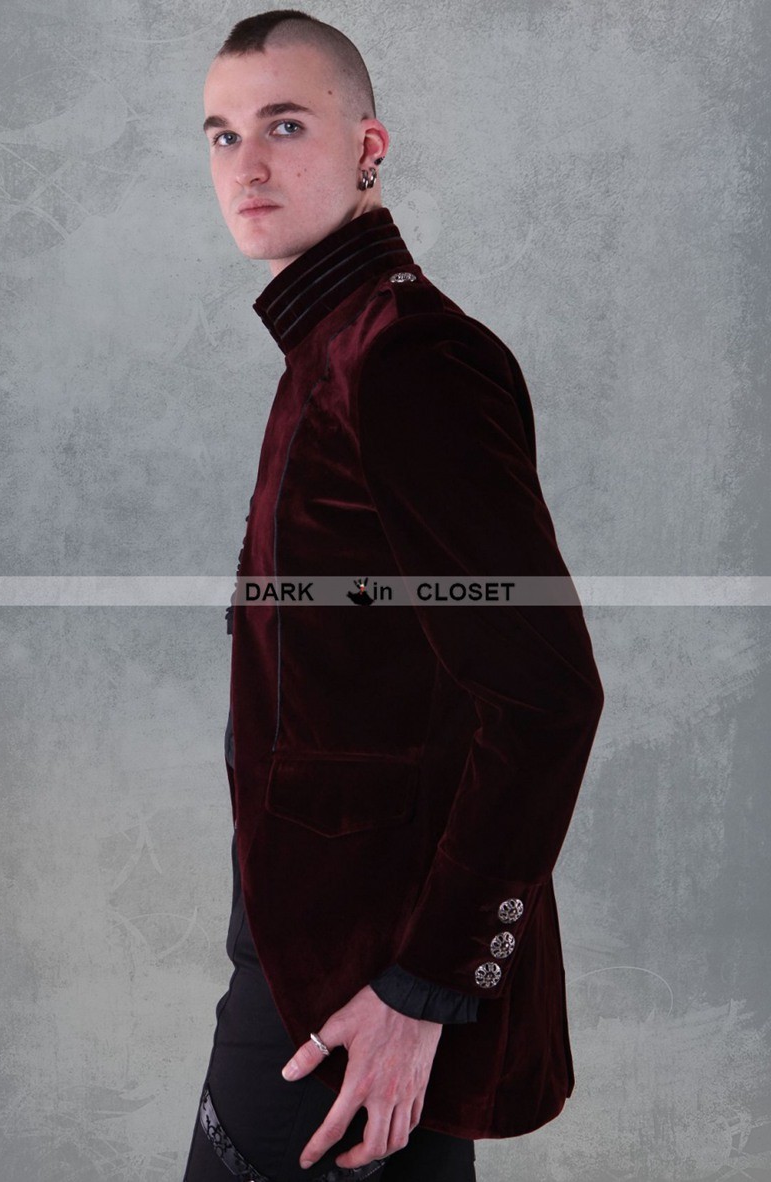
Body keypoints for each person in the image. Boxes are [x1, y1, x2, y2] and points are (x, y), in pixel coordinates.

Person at [183, 10, 605, 1182]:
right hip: (315, 946)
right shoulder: (328, 347)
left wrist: (423, 988)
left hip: (351, 979)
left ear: (368, 145)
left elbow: (545, 698)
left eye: (284, 126)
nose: (246, 164)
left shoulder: (406, 360)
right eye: (221, 135)